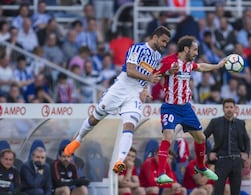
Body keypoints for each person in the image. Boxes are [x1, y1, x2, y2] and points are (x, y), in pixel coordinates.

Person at [64, 26, 171, 176]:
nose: (164, 45)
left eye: (167, 42)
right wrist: (148, 79)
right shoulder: (137, 48)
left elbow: (149, 74)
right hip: (120, 88)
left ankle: (120, 161)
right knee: (96, 117)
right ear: (155, 37)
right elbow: (130, 70)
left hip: (135, 94)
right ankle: (78, 139)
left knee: (129, 126)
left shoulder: (157, 57)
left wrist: (145, 89)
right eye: (163, 41)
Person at [154, 35, 226, 184]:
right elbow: (156, 73)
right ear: (185, 49)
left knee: (201, 138)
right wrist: (168, 73)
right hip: (170, 107)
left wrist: (217, 66)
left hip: (186, 108)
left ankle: (200, 166)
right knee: (168, 136)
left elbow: (201, 67)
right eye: (194, 50)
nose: (196, 53)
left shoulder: (188, 64)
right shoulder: (169, 61)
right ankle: (161, 173)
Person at [203, 98, 250, 195]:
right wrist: (208, 153)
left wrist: (246, 153)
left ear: (235, 109)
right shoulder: (215, 122)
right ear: (223, 109)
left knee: (235, 194)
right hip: (221, 161)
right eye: (227, 107)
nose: (229, 109)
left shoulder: (241, 123)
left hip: (236, 161)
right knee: (218, 193)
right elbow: (202, 137)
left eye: (231, 107)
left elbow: (247, 140)